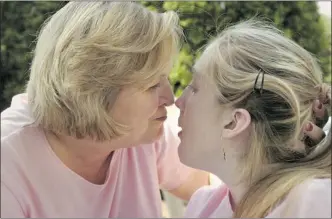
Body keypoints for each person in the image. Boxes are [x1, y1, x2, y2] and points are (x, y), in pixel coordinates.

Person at [0, 2, 211, 218]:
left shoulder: (140, 135)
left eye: (165, 78)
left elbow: (211, 185)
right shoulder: (8, 166)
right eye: (152, 85)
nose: (169, 99)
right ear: (91, 92)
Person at [175, 19, 331, 218]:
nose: (179, 101)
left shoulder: (312, 202)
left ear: (234, 122)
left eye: (195, 88)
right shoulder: (202, 205)